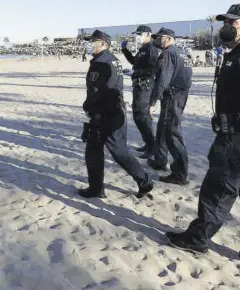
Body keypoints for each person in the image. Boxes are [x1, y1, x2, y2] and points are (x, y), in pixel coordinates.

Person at [164, 4, 240, 278]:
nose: (227, 25)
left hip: (238, 139)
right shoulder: (236, 53)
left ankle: (196, 240)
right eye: (226, 20)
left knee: (216, 191)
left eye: (234, 21)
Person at [79, 30, 154, 199]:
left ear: (104, 44)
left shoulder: (102, 63)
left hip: (105, 114)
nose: (89, 44)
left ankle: (98, 188)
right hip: (112, 112)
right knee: (105, 150)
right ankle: (142, 181)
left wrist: (92, 111)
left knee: (111, 152)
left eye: (93, 41)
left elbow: (100, 92)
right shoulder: (111, 60)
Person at [147, 28, 192, 185]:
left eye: (159, 38)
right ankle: (160, 160)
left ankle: (180, 173)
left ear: (167, 39)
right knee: (162, 128)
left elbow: (162, 80)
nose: (157, 41)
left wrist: (152, 101)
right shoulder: (181, 53)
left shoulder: (168, 54)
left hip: (172, 96)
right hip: (180, 94)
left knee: (172, 133)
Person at [121, 25, 159, 158]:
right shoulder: (143, 49)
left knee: (141, 116)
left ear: (148, 34)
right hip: (139, 85)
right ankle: (148, 144)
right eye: (137, 34)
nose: (137, 37)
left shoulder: (151, 49)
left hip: (145, 86)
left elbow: (152, 70)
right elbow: (134, 61)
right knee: (141, 117)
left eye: (140, 34)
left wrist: (135, 72)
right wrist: (124, 50)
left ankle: (151, 146)